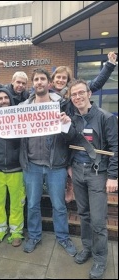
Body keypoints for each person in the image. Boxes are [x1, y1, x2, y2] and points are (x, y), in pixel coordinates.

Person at [19, 68, 77, 256]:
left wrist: (67, 122)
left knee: (59, 205)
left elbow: (72, 134)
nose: (39, 82)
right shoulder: (24, 106)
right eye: (36, 79)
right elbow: (13, 130)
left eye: (43, 79)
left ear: (48, 82)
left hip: (56, 165)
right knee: (33, 204)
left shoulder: (62, 104)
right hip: (32, 164)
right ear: (33, 83)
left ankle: (63, 237)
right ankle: (34, 236)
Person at [68, 78, 118, 279]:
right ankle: (87, 248)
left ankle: (100, 258)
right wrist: (70, 167)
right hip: (77, 171)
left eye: (81, 93)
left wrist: (113, 176)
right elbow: (68, 143)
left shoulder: (106, 118)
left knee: (98, 221)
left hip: (98, 174)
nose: (78, 97)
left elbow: (116, 148)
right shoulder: (72, 119)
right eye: (74, 95)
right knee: (84, 215)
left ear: (89, 94)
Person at [51, 51, 117, 202]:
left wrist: (109, 65)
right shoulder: (46, 96)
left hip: (73, 132)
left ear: (68, 81)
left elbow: (96, 83)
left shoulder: (72, 95)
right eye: (58, 77)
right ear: (53, 80)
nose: (61, 80)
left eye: (64, 78)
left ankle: (70, 186)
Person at [0, 87, 25, 247]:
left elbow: (24, 141)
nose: (3, 101)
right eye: (0, 99)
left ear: (10, 100)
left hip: (16, 169)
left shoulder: (19, 119)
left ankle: (16, 232)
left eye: (6, 98)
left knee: (17, 204)